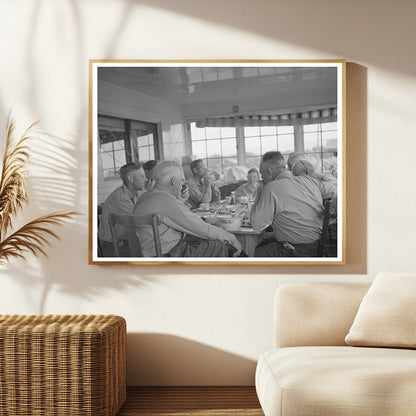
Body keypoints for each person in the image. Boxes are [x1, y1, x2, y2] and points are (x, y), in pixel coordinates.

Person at [133, 160, 241, 257]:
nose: (182, 184)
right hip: (169, 254)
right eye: (182, 180)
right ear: (174, 181)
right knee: (218, 244)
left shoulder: (146, 196)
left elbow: (171, 218)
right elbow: (200, 227)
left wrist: (180, 202)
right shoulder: (166, 199)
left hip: (151, 252)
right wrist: (232, 238)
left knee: (204, 239)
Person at [250, 151, 337, 257]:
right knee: (264, 242)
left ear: (269, 172)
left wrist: (260, 192)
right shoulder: (309, 180)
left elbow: (257, 224)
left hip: (299, 250)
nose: (261, 178)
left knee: (260, 251)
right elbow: (335, 190)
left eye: (261, 174)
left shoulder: (271, 188)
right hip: (317, 244)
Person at [98, 162, 147, 256]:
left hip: (127, 242)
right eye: (142, 176)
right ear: (130, 179)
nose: (145, 179)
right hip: (114, 248)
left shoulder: (135, 193)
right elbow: (140, 220)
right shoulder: (120, 198)